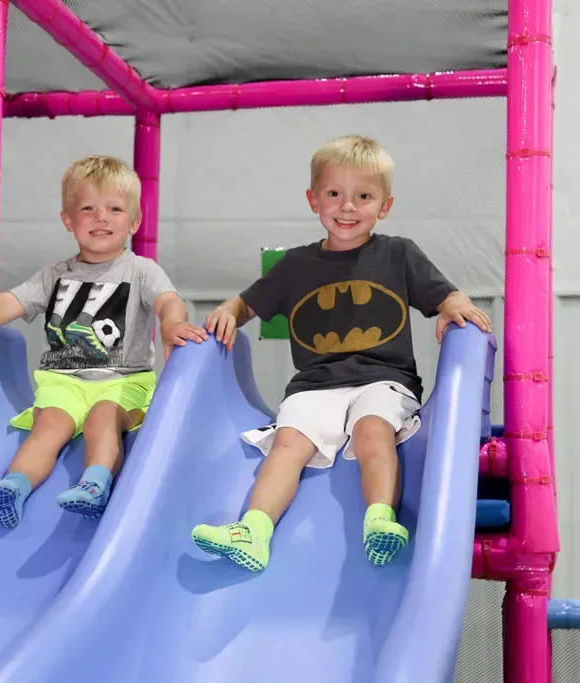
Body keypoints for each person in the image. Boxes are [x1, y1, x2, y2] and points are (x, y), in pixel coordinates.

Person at [190, 135, 491, 571]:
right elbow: (248, 303)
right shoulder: (295, 265)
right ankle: (253, 530)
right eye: (334, 194)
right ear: (314, 200)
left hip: (383, 380)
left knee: (372, 430)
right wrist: (227, 312)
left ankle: (379, 519)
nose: (347, 207)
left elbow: (442, 293)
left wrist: (455, 307)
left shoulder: (398, 253)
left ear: (384, 205)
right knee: (289, 442)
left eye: (363, 196)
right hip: (316, 385)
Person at [0, 154, 206, 527]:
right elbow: (10, 303)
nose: (102, 218)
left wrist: (171, 324)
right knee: (48, 426)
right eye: (88, 208)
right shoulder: (55, 275)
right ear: (69, 220)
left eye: (115, 209)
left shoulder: (141, 270)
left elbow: (168, 301)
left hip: (122, 381)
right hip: (63, 381)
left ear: (134, 220)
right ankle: (15, 487)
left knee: (103, 419)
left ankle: (95, 485)